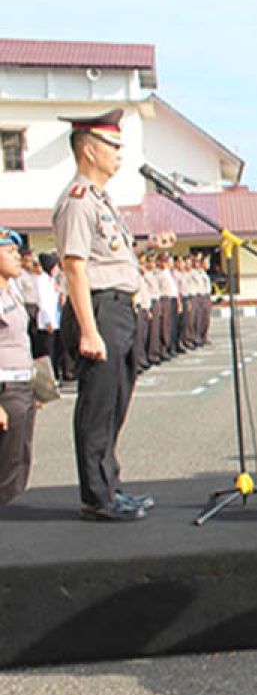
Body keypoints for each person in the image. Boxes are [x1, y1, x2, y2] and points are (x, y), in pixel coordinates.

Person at [52, 109, 157, 521]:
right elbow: (75, 267)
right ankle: (97, 497)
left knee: (116, 401)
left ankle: (109, 485)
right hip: (97, 309)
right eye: (113, 146)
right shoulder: (78, 202)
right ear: (90, 151)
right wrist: (89, 331)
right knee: (97, 404)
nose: (119, 153)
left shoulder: (102, 202)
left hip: (119, 309)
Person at [0, 228, 37, 505]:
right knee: (6, 469)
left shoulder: (11, 291)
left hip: (22, 385)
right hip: (5, 389)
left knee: (20, 463)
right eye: (9, 252)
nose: (17, 257)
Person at [34, 253, 63, 371]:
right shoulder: (41, 280)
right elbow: (43, 302)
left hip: (57, 321)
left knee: (56, 351)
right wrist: (47, 321)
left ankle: (56, 374)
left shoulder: (52, 280)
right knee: (48, 352)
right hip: (47, 323)